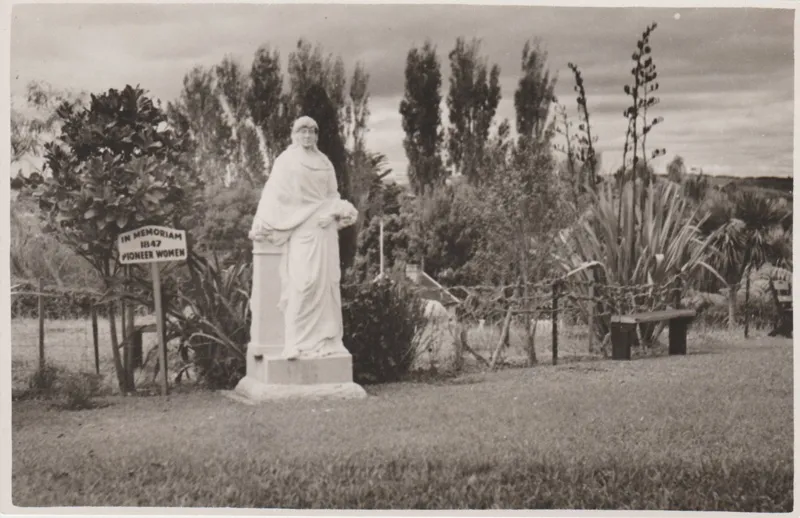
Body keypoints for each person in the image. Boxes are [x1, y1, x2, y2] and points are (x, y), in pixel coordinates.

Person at [249, 116, 357, 360]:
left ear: (316, 135)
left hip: (325, 229)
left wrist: (333, 214)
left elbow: (332, 195)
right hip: (301, 228)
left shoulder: (324, 162)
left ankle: (326, 341)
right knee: (303, 283)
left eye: (312, 132)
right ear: (294, 134)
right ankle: (293, 342)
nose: (307, 136)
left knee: (326, 285)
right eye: (303, 131)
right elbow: (273, 194)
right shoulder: (286, 161)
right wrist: (261, 220)